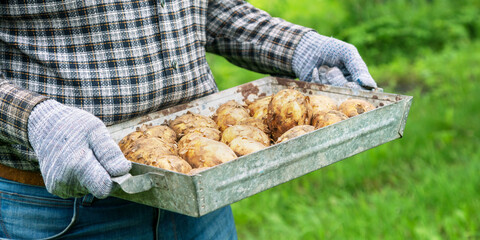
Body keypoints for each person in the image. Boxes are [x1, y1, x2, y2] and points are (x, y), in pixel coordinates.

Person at [0, 0, 377, 239]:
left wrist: (294, 45)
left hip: (200, 196)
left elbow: (207, 9)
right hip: (66, 213)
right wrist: (32, 117)